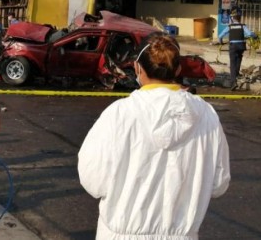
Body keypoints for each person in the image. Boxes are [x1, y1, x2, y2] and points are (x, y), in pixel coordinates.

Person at [78, 34, 230, 240]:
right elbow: (218, 183)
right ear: (177, 70)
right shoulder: (206, 115)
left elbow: (93, 180)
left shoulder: (119, 114)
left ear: (138, 68)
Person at [218, 12, 257, 90]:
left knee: (233, 63)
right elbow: (249, 34)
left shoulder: (229, 27)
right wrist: (255, 36)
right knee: (239, 59)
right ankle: (236, 74)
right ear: (239, 19)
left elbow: (220, 35)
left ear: (233, 19)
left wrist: (221, 41)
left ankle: (233, 82)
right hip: (241, 46)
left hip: (233, 46)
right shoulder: (243, 26)